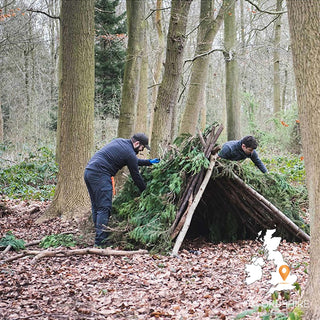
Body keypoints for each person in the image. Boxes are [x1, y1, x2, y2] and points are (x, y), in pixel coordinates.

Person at [84, 133, 160, 247]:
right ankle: (100, 242)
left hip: (89, 172)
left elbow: (133, 160)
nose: (140, 150)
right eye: (142, 148)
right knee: (104, 208)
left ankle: (99, 238)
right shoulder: (129, 152)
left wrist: (149, 162)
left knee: (97, 206)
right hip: (101, 175)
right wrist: (145, 191)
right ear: (137, 143)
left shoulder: (120, 142)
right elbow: (136, 176)